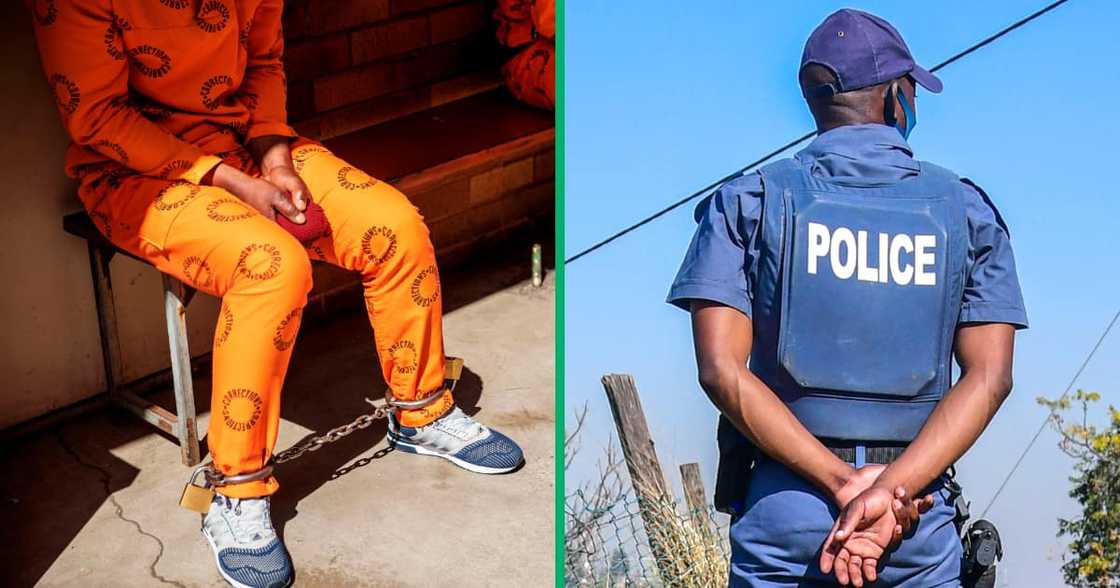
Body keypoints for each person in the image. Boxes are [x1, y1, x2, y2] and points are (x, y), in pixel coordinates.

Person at [30, 2, 524, 587]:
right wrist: (235, 183)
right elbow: (96, 116)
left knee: (394, 225)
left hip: (247, 147)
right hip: (134, 174)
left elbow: (263, 63)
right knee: (271, 264)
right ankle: (235, 490)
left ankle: (421, 412)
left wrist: (276, 161)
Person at [667, 9, 1027, 587]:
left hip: (785, 524)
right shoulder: (966, 212)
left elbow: (720, 371)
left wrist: (839, 482)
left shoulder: (747, 204)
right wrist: (887, 491)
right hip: (911, 523)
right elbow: (990, 377)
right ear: (894, 97)